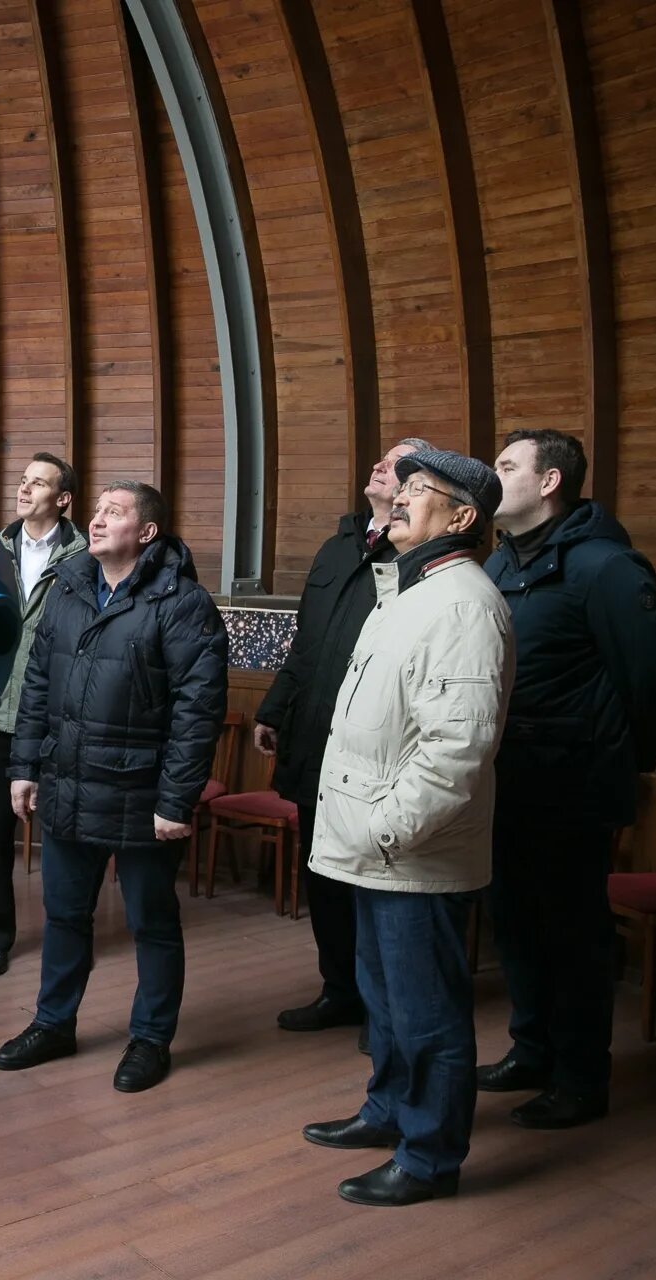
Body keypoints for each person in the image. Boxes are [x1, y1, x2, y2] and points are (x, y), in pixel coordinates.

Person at [299, 448, 512, 1207]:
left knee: (427, 1016)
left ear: (462, 518)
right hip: (377, 851)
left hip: (408, 854)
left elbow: (457, 749)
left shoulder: (462, 604)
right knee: (385, 1001)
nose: (399, 498)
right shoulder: (410, 589)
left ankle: (428, 1158)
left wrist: (383, 832)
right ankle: (387, 1112)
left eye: (420, 490)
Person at [476, 429, 656, 1129]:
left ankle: (580, 1077)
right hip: (510, 783)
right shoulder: (502, 567)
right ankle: (531, 1050)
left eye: (506, 466)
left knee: (571, 937)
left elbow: (655, 681)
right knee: (514, 925)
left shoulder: (606, 567)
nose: (493, 476)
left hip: (571, 788)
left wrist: (619, 761)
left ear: (549, 482)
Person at [0, 482, 228, 1093]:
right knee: (65, 915)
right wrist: (24, 767)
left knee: (152, 921)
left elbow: (197, 712)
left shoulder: (182, 602)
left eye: (112, 513)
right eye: (95, 510)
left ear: (146, 532)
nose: (95, 521)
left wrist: (177, 800)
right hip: (69, 783)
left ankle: (151, 1039)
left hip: (144, 794)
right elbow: (37, 686)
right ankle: (53, 1024)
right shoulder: (69, 589)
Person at [255, 437, 432, 1038]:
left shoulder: (422, 556)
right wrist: (275, 709)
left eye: (399, 462)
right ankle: (339, 990)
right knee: (323, 876)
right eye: (380, 456)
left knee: (369, 880)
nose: (380, 463)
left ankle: (381, 1008)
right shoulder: (337, 549)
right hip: (314, 736)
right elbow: (307, 642)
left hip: (374, 751)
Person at [0, 453, 88, 976]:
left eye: (37, 483)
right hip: (0, 713)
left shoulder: (84, 556)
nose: (23, 490)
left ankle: (70, 934)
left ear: (62, 499)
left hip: (58, 717)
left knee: (65, 834)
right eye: (21, 481)